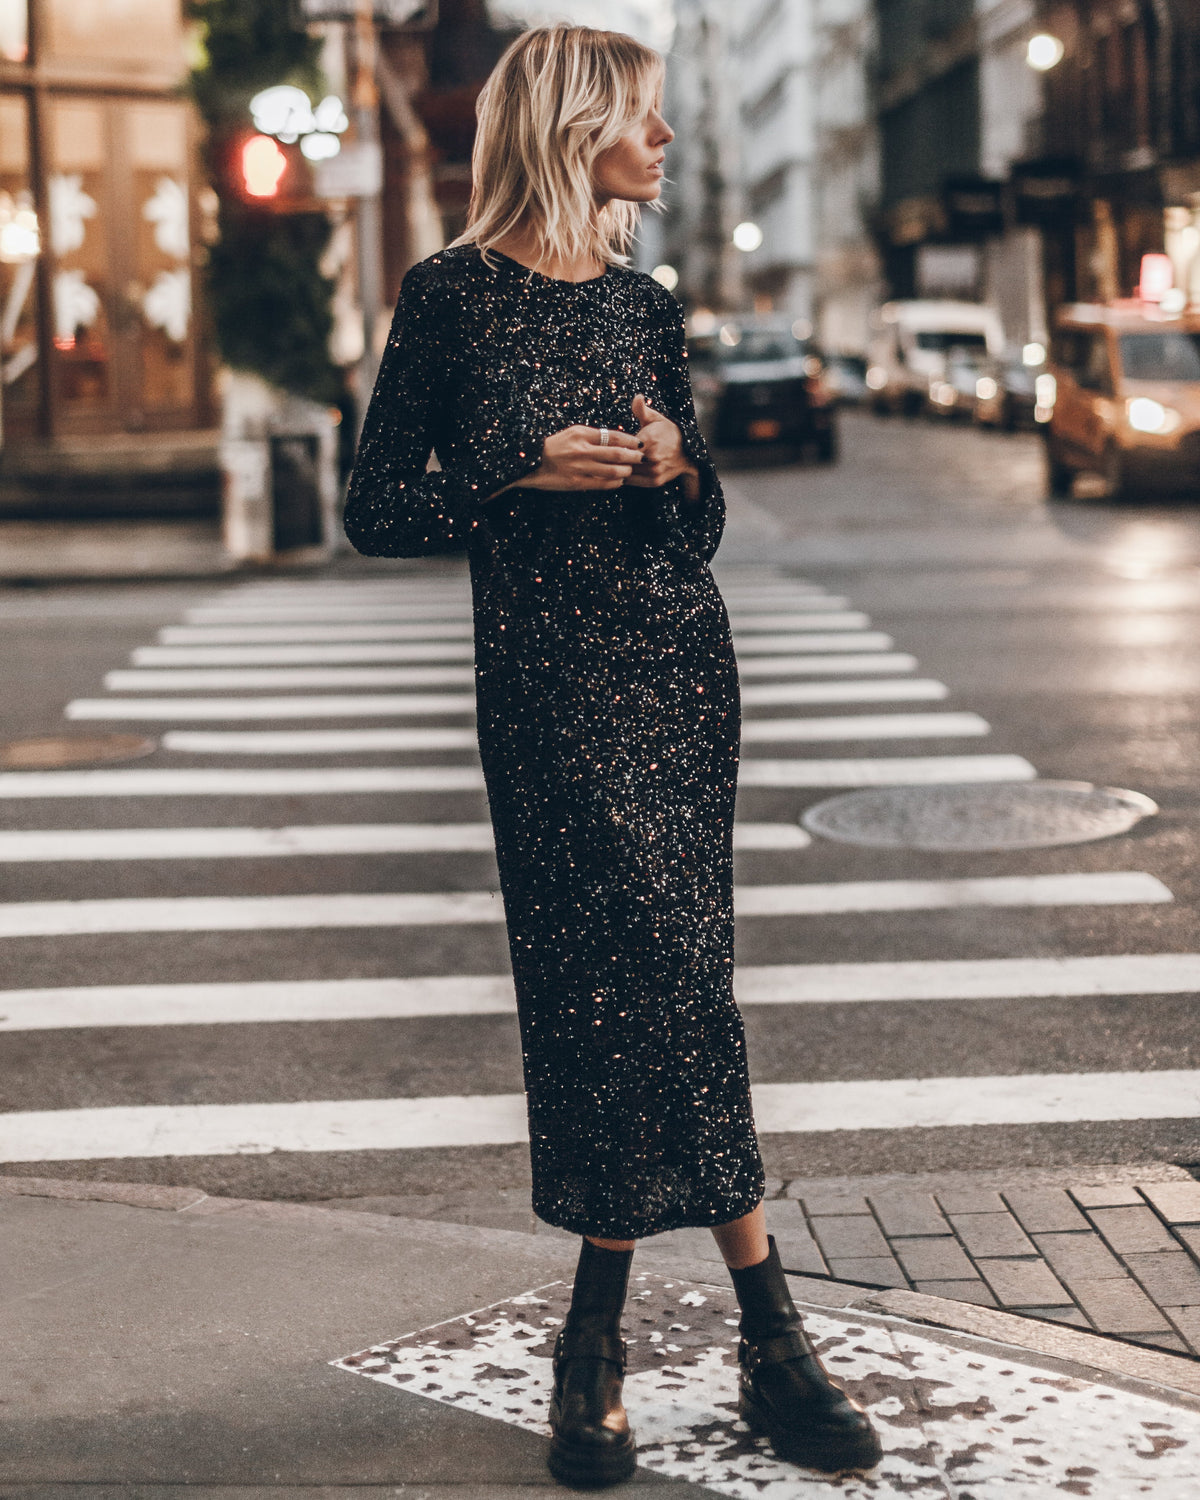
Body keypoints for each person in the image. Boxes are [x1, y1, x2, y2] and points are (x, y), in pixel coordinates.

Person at [342, 23, 881, 1488]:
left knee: (673, 975)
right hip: (546, 690)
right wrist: (510, 474)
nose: (658, 144)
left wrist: (666, 463)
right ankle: (757, 1333)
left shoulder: (648, 305)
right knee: (614, 987)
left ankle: (615, 1345)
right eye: (640, 121)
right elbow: (378, 503)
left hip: (677, 671)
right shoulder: (449, 298)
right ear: (577, 128)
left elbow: (699, 523)